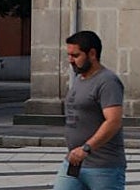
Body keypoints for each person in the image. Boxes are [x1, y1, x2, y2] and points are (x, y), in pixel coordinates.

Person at [55, 30, 126, 190]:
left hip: (103, 167)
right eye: (69, 55)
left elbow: (114, 121)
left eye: (75, 55)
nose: (70, 60)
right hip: (74, 162)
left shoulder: (107, 82)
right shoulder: (80, 79)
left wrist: (87, 148)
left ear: (92, 54)